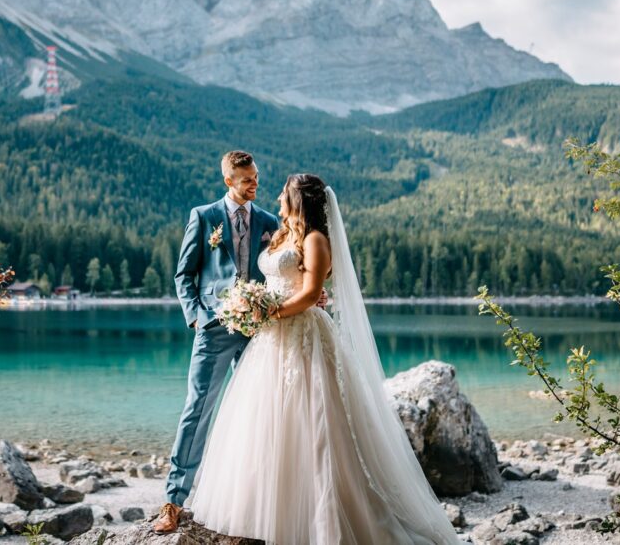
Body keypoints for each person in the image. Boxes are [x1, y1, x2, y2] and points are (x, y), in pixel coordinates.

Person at [185, 174, 459, 544]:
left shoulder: (315, 240)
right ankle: (265, 511)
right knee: (266, 421)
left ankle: (320, 519)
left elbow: (311, 292)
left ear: (298, 200)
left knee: (311, 419)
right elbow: (275, 279)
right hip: (271, 340)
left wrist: (269, 313)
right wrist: (253, 303)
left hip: (302, 334)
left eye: (284, 194)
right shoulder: (282, 235)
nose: (278, 198)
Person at [155, 150, 279, 534]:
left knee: (260, 413)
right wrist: (197, 317)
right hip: (214, 328)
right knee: (197, 411)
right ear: (229, 180)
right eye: (247, 179)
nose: (254, 184)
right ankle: (174, 501)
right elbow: (183, 275)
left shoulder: (269, 221)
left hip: (260, 331)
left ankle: (253, 501)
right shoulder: (204, 216)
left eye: (256, 177)